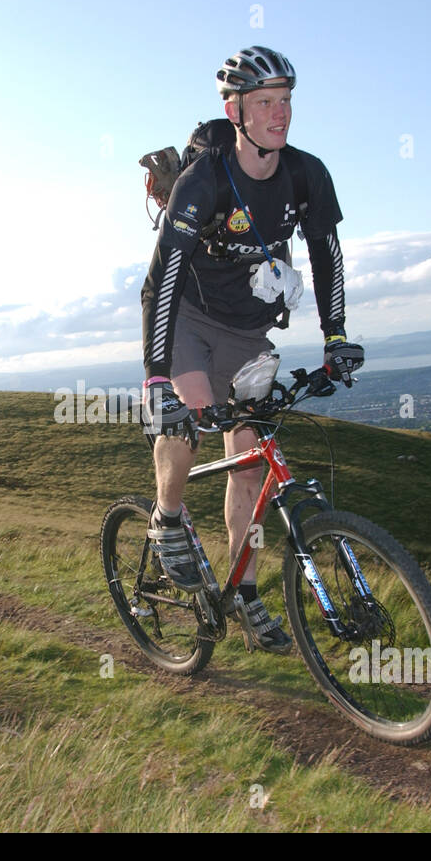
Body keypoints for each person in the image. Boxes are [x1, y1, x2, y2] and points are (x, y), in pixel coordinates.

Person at [139, 46, 365, 653]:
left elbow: (328, 255)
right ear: (235, 109)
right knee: (185, 424)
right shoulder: (203, 181)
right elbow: (163, 280)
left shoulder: (305, 173)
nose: (280, 113)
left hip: (246, 333)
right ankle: (166, 518)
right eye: (265, 101)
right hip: (186, 316)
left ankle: (244, 593)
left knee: (253, 458)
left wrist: (335, 337)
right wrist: (157, 381)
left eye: (286, 100)